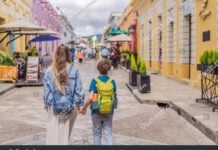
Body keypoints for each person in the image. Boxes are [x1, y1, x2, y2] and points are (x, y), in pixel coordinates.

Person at [43, 44, 85, 145]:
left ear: (56, 54)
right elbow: (78, 89)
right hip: (71, 106)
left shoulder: (49, 70)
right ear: (68, 54)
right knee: (65, 135)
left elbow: (46, 92)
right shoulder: (73, 69)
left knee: (53, 134)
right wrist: (80, 104)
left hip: (54, 106)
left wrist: (49, 104)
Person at [82, 59, 118, 145]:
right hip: (109, 111)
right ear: (108, 69)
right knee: (108, 133)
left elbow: (91, 98)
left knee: (97, 134)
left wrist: (84, 108)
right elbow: (115, 95)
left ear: (98, 68)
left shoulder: (95, 81)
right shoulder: (112, 81)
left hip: (96, 111)